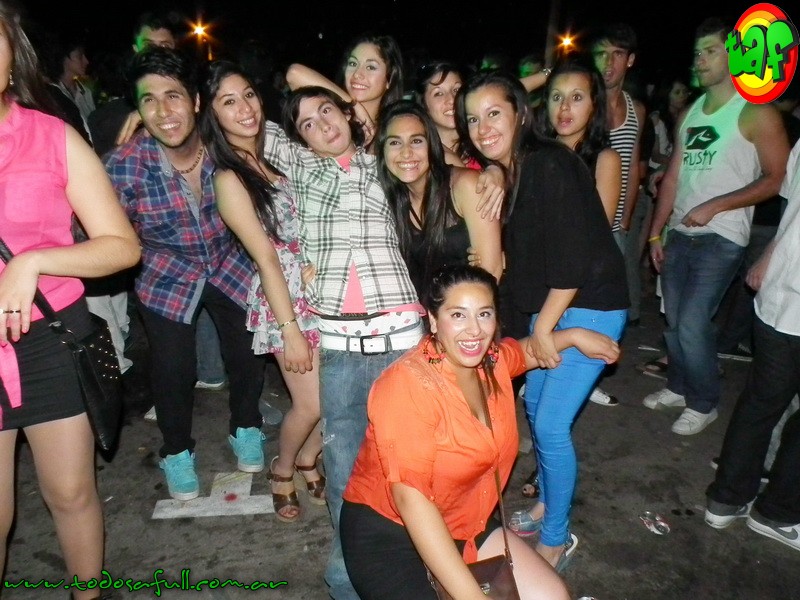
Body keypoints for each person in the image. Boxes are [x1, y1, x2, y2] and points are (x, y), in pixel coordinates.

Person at [341, 264, 620, 599]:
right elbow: (411, 500)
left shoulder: (491, 361)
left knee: (551, 595)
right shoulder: (406, 386)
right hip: (392, 535)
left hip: (463, 520)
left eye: (484, 314)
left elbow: (525, 352)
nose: (474, 330)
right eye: (458, 315)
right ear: (433, 320)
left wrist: (572, 336)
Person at [456, 71, 629, 568]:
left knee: (550, 425)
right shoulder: (514, 169)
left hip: (591, 302)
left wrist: (546, 331)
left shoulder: (549, 163)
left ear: (519, 113)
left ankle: (556, 537)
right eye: (473, 119)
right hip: (553, 305)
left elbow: (572, 262)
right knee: (534, 409)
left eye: (494, 113)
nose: (484, 127)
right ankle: (548, 502)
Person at [0, 2, 141, 597]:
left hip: (50, 339)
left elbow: (121, 247)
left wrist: (34, 261)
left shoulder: (51, 136)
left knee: (72, 493)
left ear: (13, 53)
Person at [264, 85, 424, 599]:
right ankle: (349, 569)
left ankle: (416, 557)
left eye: (327, 111)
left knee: (411, 460)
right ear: (301, 140)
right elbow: (248, 120)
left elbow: (441, 162)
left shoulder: (388, 162)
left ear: (349, 113)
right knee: (344, 464)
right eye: (307, 123)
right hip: (340, 344)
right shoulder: (302, 168)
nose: (322, 125)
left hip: (403, 337)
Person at [104, 47, 268, 500]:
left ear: (196, 101)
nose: (163, 112)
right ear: (137, 110)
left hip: (229, 262)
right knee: (173, 367)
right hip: (166, 273)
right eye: (149, 100)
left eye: (173, 96)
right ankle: (176, 450)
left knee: (248, 351)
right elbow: (94, 232)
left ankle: (246, 426)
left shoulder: (227, 145)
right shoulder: (124, 165)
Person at [643, 17, 789, 435]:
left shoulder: (756, 112)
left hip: (722, 236)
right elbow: (673, 178)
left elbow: (777, 178)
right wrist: (656, 232)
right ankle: (678, 386)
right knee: (674, 321)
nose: (700, 60)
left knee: (692, 322)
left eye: (710, 51)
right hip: (680, 233)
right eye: (697, 52)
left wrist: (716, 205)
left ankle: (704, 402)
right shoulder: (690, 112)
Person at [198, 60, 324, 522]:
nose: (245, 108)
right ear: (212, 113)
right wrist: (290, 331)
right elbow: (266, 257)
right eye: (229, 102)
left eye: (248, 94)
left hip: (321, 286)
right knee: (312, 402)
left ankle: (309, 458)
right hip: (283, 297)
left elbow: (304, 84)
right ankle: (283, 468)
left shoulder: (277, 147)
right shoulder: (228, 177)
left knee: (334, 398)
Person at [704, 138, 800, 552]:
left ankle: (726, 498)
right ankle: (778, 511)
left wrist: (769, 257)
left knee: (761, 402)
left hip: (782, 293)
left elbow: (791, 209)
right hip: (785, 292)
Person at [376, 100, 503, 298]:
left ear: (432, 145)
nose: (406, 152)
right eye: (395, 142)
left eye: (416, 141)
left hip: (474, 308)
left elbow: (491, 269)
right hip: (423, 312)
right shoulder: (388, 199)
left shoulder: (465, 186)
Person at [539, 54, 621, 225]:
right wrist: (546, 75)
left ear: (594, 104)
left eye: (576, 97)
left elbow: (599, 229)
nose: (564, 106)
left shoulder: (605, 159)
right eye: (556, 97)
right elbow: (504, 96)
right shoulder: (536, 153)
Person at [285, 33, 404, 150]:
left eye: (370, 67)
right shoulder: (330, 119)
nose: (357, 74)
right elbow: (293, 73)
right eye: (353, 63)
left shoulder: (394, 130)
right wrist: (353, 105)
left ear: (389, 79)